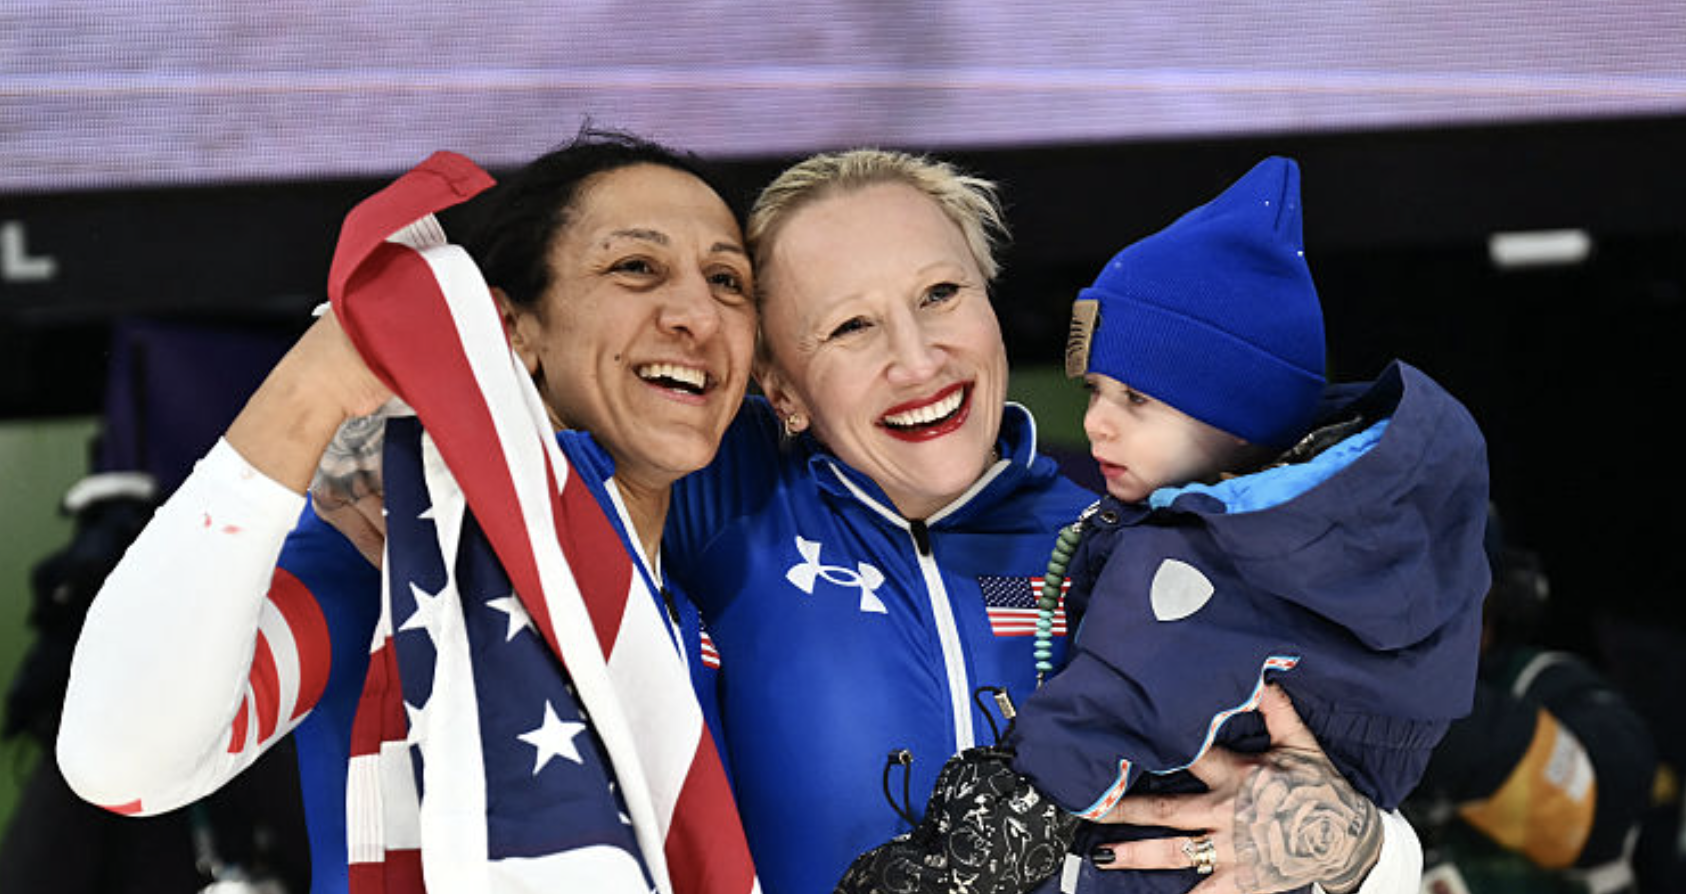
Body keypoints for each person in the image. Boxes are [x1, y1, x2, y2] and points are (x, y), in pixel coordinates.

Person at [662, 149, 1434, 894]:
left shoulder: (1144, 543)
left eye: (940, 294)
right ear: (782, 389)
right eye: (850, 327)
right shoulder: (718, 503)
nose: (919, 357)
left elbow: (1345, 784)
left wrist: (1363, 851)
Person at [56, 131, 758, 893]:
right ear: (509, 327)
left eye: (728, 281)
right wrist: (316, 387)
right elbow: (122, 763)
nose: (698, 313)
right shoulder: (383, 556)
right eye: (635, 267)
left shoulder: (710, 596)